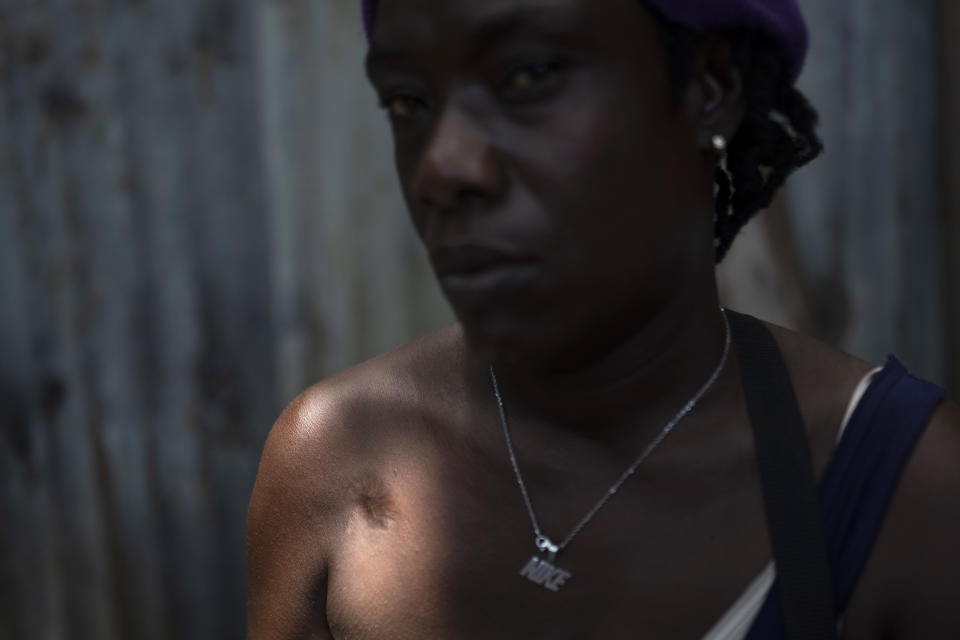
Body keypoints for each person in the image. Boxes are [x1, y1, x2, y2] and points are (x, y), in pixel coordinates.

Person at [245, 0, 960, 637]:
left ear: (712, 86)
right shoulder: (335, 460)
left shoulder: (897, 487)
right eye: (406, 101)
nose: (444, 166)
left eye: (529, 75)